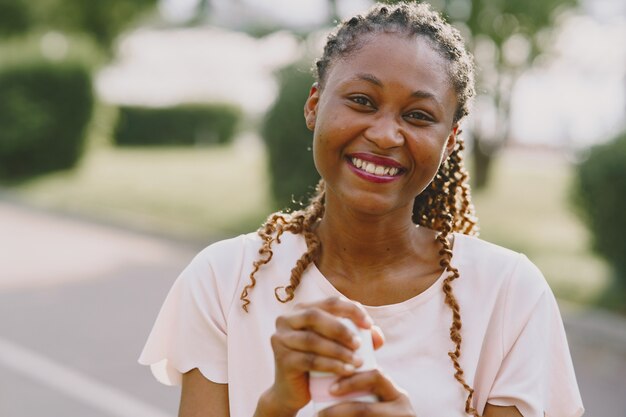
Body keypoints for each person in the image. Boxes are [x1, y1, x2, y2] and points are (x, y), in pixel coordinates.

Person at [139, 2, 584, 416]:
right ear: (314, 105)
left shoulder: (510, 295)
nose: (386, 134)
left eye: (418, 116)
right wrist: (276, 406)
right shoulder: (225, 279)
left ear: (449, 141)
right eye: (362, 102)